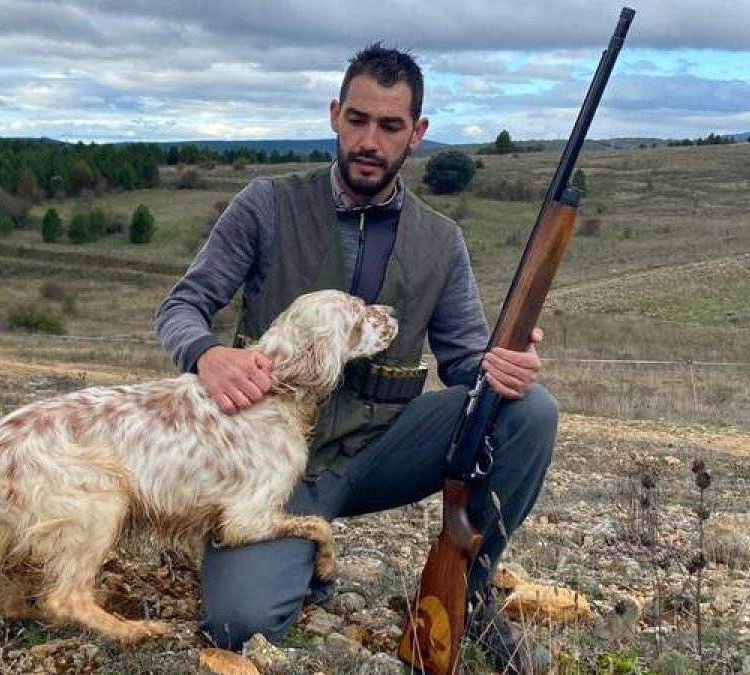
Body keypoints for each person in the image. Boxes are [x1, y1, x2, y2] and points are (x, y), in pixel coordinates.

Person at [155, 43, 557, 674]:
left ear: (416, 134)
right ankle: (298, 561)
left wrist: (502, 368)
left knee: (527, 409)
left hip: (380, 451)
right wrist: (206, 354)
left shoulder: (441, 241)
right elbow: (180, 308)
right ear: (336, 115)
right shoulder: (266, 204)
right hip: (272, 466)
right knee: (238, 623)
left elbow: (465, 365)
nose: (371, 140)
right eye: (359, 120)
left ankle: (469, 595)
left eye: (391, 126)